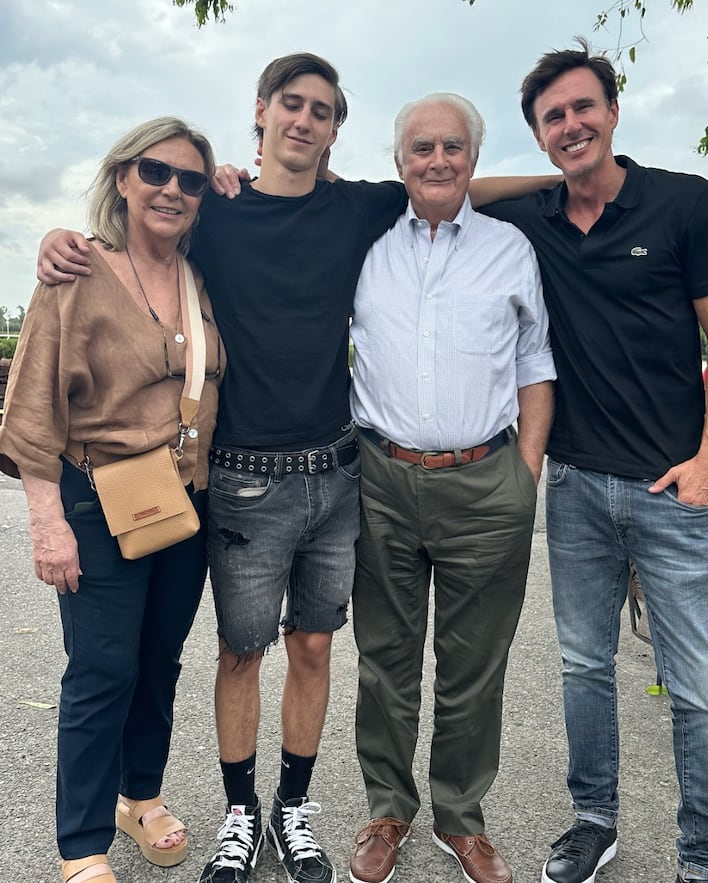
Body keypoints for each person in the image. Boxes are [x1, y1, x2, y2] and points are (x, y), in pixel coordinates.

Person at [35, 53, 556, 883]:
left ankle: (296, 808)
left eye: (321, 110)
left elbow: (448, 184)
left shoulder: (357, 208)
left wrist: (573, 173)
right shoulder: (216, 209)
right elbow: (144, 228)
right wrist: (67, 239)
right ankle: (242, 815)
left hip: (337, 471)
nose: (305, 120)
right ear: (263, 111)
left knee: (313, 648)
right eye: (291, 104)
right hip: (241, 475)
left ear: (336, 129)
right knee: (239, 653)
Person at [479, 40, 708, 883]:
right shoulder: (536, 218)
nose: (570, 125)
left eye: (582, 107)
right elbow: (437, 189)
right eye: (552, 117)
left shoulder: (683, 202)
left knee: (700, 691)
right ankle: (593, 819)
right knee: (584, 667)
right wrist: (544, 179)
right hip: (576, 485)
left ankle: (702, 861)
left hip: (673, 487)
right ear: (537, 134)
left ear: (613, 110)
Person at [0, 117, 222, 883]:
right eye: (156, 172)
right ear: (122, 177)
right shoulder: (77, 271)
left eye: (191, 180)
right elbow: (31, 407)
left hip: (184, 504)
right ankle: (82, 844)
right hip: (97, 501)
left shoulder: (202, 277)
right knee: (100, 670)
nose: (172, 190)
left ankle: (140, 795)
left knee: (158, 662)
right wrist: (47, 521)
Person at [348, 93, 555, 883]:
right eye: (421, 148)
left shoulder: (509, 249)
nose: (437, 160)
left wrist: (522, 474)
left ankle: (460, 816)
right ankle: (386, 808)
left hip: (485, 482)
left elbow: (535, 363)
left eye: (453, 147)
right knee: (385, 658)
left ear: (473, 157)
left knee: (475, 664)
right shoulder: (363, 244)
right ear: (398, 161)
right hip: (382, 478)